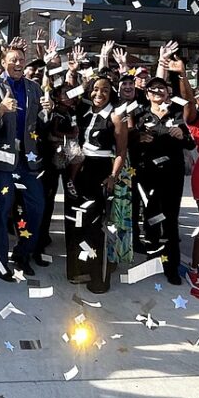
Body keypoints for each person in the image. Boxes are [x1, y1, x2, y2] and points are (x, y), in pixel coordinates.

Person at [0, 45, 53, 280]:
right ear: (3, 63)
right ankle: (1, 261)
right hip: (2, 161)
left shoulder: (34, 88)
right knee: (1, 212)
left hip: (27, 162)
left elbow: (40, 125)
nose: (19, 63)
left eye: (22, 59)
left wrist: (47, 112)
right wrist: (0, 111)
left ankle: (23, 253)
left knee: (37, 207)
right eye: (13, 60)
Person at [129, 76, 195, 285]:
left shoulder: (177, 112)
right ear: (147, 93)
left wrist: (180, 136)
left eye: (161, 89)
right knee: (150, 216)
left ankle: (171, 266)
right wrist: (138, 138)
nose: (157, 92)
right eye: (153, 89)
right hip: (146, 173)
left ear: (167, 92)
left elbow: (191, 144)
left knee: (170, 218)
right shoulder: (139, 113)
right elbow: (128, 141)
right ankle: (153, 255)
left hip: (171, 174)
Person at [71, 76, 128, 293]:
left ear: (111, 92)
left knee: (98, 227)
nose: (99, 94)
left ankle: (100, 277)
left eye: (105, 90)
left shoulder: (116, 116)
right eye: (95, 89)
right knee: (82, 223)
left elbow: (121, 151)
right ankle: (84, 268)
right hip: (81, 168)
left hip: (101, 170)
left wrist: (113, 176)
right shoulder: (85, 111)